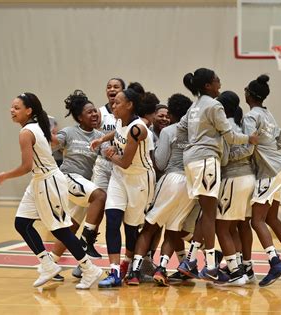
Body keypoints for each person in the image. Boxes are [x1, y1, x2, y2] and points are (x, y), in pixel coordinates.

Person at [0, 92, 102, 289]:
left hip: (48, 181)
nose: (12, 110)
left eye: (17, 107)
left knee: (61, 230)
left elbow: (26, 166)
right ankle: (47, 264)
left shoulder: (26, 132)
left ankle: (89, 268)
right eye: (12, 107)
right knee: (22, 223)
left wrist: (5, 175)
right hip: (38, 181)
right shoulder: (34, 127)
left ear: (29, 111)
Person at [176, 68, 258, 281]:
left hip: (191, 161)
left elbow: (180, 131)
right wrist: (249, 139)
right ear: (207, 85)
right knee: (211, 215)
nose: (219, 82)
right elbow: (230, 137)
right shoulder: (214, 105)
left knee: (206, 212)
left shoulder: (193, 106)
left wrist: (193, 145)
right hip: (206, 161)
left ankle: (193, 258)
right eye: (216, 80)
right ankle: (211, 265)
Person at [123, 93, 193, 286]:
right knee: (173, 228)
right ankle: (161, 269)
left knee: (149, 227)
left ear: (170, 112)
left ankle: (135, 271)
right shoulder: (196, 131)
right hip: (191, 183)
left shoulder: (169, 131)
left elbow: (161, 163)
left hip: (171, 179)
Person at [242, 74, 281, 287]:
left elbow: (248, 145)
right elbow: (279, 140)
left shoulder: (250, 117)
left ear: (249, 94)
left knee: (256, 220)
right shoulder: (269, 115)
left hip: (268, 170)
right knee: (272, 218)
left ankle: (275, 262)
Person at [91, 88, 155, 288]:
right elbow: (117, 131)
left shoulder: (138, 128)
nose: (113, 105)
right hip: (119, 177)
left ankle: (129, 265)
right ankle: (114, 271)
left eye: (118, 102)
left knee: (131, 227)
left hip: (139, 179)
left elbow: (125, 162)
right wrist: (102, 139)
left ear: (130, 105)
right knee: (112, 220)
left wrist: (109, 154)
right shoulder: (120, 120)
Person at [49, 90, 107, 277]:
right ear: (80, 117)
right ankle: (86, 241)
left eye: (95, 111)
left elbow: (109, 154)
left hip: (83, 185)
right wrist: (43, 131)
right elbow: (54, 143)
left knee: (71, 226)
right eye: (89, 112)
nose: (94, 114)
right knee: (100, 196)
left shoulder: (99, 135)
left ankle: (50, 264)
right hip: (68, 178)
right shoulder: (70, 132)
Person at [215, 91, 254, 286]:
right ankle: (241, 267)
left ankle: (236, 273)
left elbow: (227, 155)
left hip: (233, 178)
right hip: (248, 178)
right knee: (233, 227)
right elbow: (250, 146)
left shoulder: (227, 127)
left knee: (220, 227)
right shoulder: (242, 123)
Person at [92, 78, 125, 192]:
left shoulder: (128, 114)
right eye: (109, 87)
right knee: (100, 197)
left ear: (122, 91)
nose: (112, 89)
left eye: (116, 87)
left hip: (121, 162)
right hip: (104, 162)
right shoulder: (99, 112)